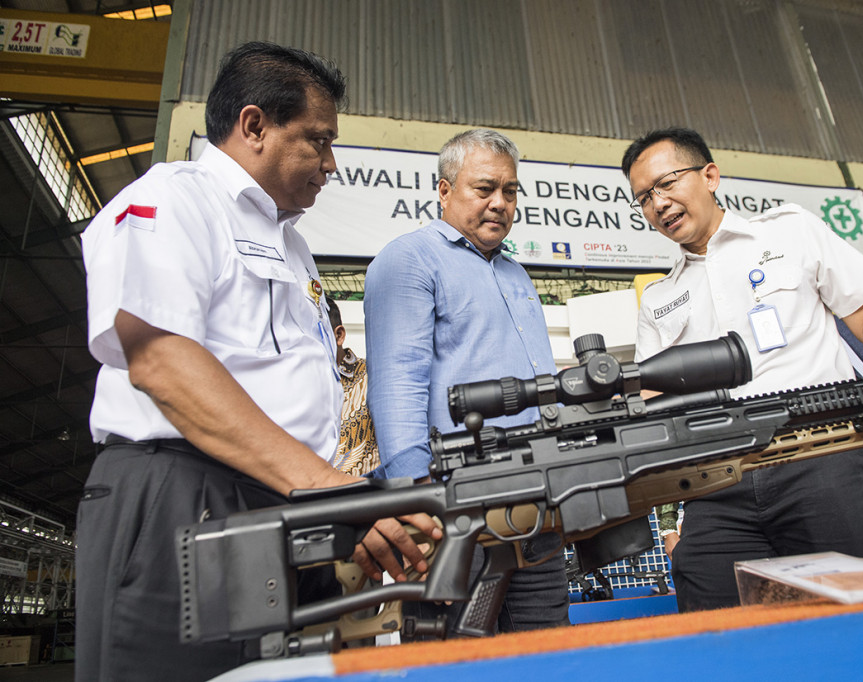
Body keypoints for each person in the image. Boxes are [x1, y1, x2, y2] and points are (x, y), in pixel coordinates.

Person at [76, 42, 439, 682]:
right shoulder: (174, 200)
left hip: (284, 505)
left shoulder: (293, 247)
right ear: (254, 126)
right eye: (318, 142)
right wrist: (342, 494)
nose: (331, 164)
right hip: (185, 499)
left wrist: (344, 510)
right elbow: (163, 364)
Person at [620, 127, 863, 612]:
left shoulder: (789, 230)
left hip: (821, 459)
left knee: (853, 620)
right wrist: (674, 514)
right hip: (718, 483)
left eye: (667, 182)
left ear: (710, 175)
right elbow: (656, 409)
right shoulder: (657, 299)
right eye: (644, 197)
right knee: (713, 620)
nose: (658, 203)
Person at [364, 128, 570, 633]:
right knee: (456, 657)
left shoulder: (517, 275)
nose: (500, 203)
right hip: (454, 507)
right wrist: (416, 504)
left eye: (511, 191)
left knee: (549, 657)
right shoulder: (409, 259)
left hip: (537, 502)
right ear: (444, 190)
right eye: (484, 189)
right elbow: (396, 388)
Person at [325, 296, 380, 476]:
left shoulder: (374, 377)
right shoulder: (296, 390)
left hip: (366, 497)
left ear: (338, 335)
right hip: (310, 498)